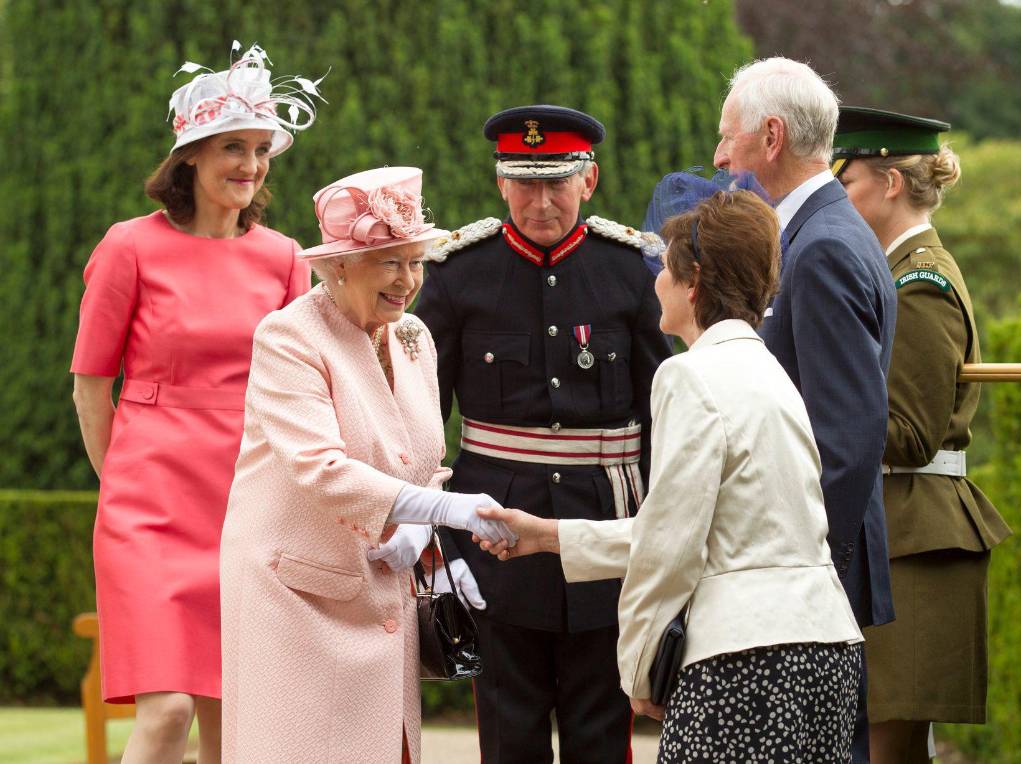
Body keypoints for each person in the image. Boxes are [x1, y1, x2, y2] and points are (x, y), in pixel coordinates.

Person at [477, 185, 866, 762]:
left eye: (664, 267)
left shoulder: (689, 376)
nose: (654, 280)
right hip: (826, 648)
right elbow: (696, 528)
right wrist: (545, 536)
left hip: (744, 661)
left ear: (695, 283)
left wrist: (638, 673)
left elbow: (668, 547)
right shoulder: (770, 371)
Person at [69, 43, 321, 764]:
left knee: (232, 721)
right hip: (147, 508)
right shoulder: (129, 248)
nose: (249, 164)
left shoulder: (283, 258)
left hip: (246, 501)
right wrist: (119, 480)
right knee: (167, 712)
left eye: (260, 149)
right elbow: (91, 385)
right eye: (231, 148)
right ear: (188, 158)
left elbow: (301, 386)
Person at [219, 166, 515, 764]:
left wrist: (421, 530)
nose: (408, 281)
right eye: (389, 262)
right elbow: (322, 469)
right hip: (296, 598)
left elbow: (420, 459)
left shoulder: (414, 338)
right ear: (338, 267)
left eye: (416, 261)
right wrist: (444, 510)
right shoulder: (288, 338)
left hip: (382, 599)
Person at [414, 105, 672, 763]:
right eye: (524, 182)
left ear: (589, 180)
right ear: (501, 183)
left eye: (555, 181)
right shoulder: (455, 273)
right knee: (509, 741)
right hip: (492, 541)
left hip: (607, 533)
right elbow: (419, 418)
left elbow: (666, 413)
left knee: (601, 740)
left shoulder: (635, 272)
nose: (540, 200)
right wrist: (422, 528)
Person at [712, 57, 898, 761]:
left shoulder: (818, 248)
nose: (718, 155)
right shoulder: (819, 232)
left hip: (807, 567)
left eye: (727, 136)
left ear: (771, 136)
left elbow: (847, 438)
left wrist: (800, 565)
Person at [833, 108, 1011, 763]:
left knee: (887, 745)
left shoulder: (919, 281)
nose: (838, 197)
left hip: (915, 533)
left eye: (846, 181)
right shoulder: (895, 272)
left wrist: (813, 403)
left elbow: (909, 433)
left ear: (889, 183)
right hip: (899, 529)